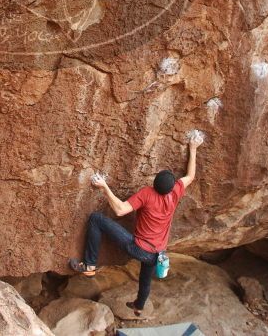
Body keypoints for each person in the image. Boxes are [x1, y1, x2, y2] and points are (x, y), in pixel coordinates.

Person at [69, 133, 202, 316]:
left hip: (138, 248)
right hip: (157, 252)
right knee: (145, 280)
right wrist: (193, 148)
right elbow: (191, 176)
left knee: (96, 219)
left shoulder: (147, 194)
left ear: (154, 183)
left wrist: (104, 186)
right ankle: (139, 306)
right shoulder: (175, 192)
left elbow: (120, 210)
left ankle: (90, 265)